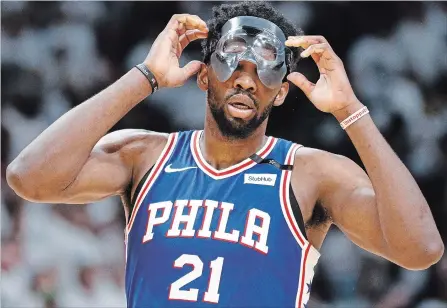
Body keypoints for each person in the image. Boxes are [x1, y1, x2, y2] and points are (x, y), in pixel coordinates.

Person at [6, 2, 444, 307]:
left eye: (262, 73)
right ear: (203, 77)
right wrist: (144, 77)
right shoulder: (145, 154)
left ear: (281, 93)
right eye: (233, 65)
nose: (246, 82)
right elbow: (29, 177)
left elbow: (421, 249)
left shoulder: (310, 173)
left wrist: (351, 112)